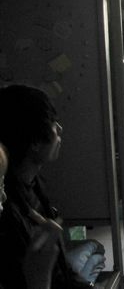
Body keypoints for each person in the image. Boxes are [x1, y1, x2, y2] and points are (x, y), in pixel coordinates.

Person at [0, 85, 105, 289]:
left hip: (56, 275)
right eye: (53, 124)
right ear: (35, 142)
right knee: (95, 250)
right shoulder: (11, 214)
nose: (60, 129)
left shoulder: (32, 183)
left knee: (94, 252)